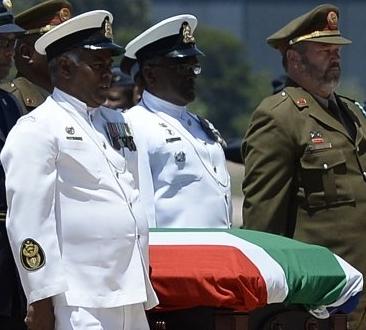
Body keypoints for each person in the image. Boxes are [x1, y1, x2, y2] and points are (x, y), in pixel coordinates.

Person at [1, 10, 158, 330]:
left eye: (109, 65)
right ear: (65, 67)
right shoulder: (38, 128)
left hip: (129, 293)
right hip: (78, 300)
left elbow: (132, 197)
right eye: (98, 65)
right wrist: (40, 299)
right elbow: (29, 223)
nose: (109, 75)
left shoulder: (116, 123)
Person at [242, 4, 366, 329]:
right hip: (323, 301)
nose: (335, 57)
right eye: (324, 50)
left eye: (336, 49)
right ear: (295, 60)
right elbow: (263, 225)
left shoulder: (354, 114)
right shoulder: (279, 117)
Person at [121, 14, 232, 228]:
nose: (192, 74)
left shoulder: (201, 125)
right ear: (150, 74)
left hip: (217, 252)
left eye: (194, 67)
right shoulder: (134, 125)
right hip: (174, 255)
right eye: (182, 67)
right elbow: (141, 209)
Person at [0, 2, 27, 329]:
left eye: (11, 44)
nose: (10, 53)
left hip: (11, 248)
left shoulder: (9, 103)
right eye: (2, 44)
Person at [0, 0, 72, 115]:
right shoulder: (11, 103)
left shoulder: (70, 102)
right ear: (26, 52)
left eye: (70, 47)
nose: (67, 56)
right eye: (57, 48)